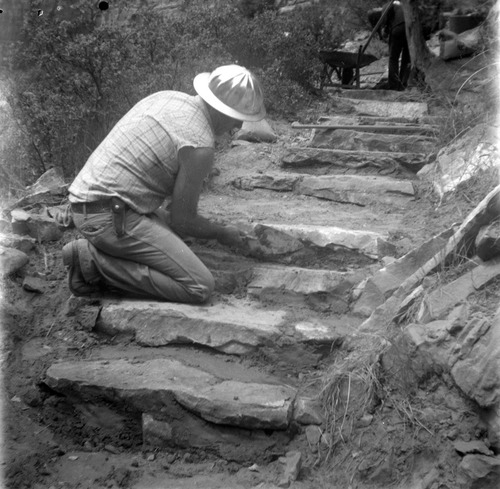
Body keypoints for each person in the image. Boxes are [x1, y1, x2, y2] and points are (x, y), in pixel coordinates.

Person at [62, 64, 266, 303]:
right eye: (237, 118)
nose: (239, 126)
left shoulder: (168, 97)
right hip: (108, 217)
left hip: (88, 202)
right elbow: (183, 219)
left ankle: (109, 252)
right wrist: (221, 233)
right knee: (200, 285)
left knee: (176, 241)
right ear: (222, 111)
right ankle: (91, 262)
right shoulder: (200, 143)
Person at [383, 0, 411, 91]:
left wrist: (386, 32)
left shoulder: (388, 5)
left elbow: (385, 22)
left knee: (393, 58)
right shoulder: (405, 4)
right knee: (406, 58)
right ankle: (403, 84)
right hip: (409, 29)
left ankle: (393, 86)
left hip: (397, 29)